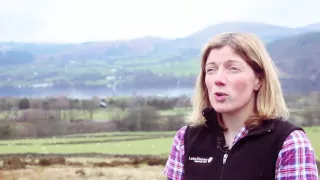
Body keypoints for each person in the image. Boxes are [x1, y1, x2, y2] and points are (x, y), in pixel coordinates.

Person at [163, 32, 319, 180]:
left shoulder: (289, 142)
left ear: (258, 80)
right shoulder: (185, 139)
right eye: (211, 70)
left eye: (233, 69)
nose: (219, 79)